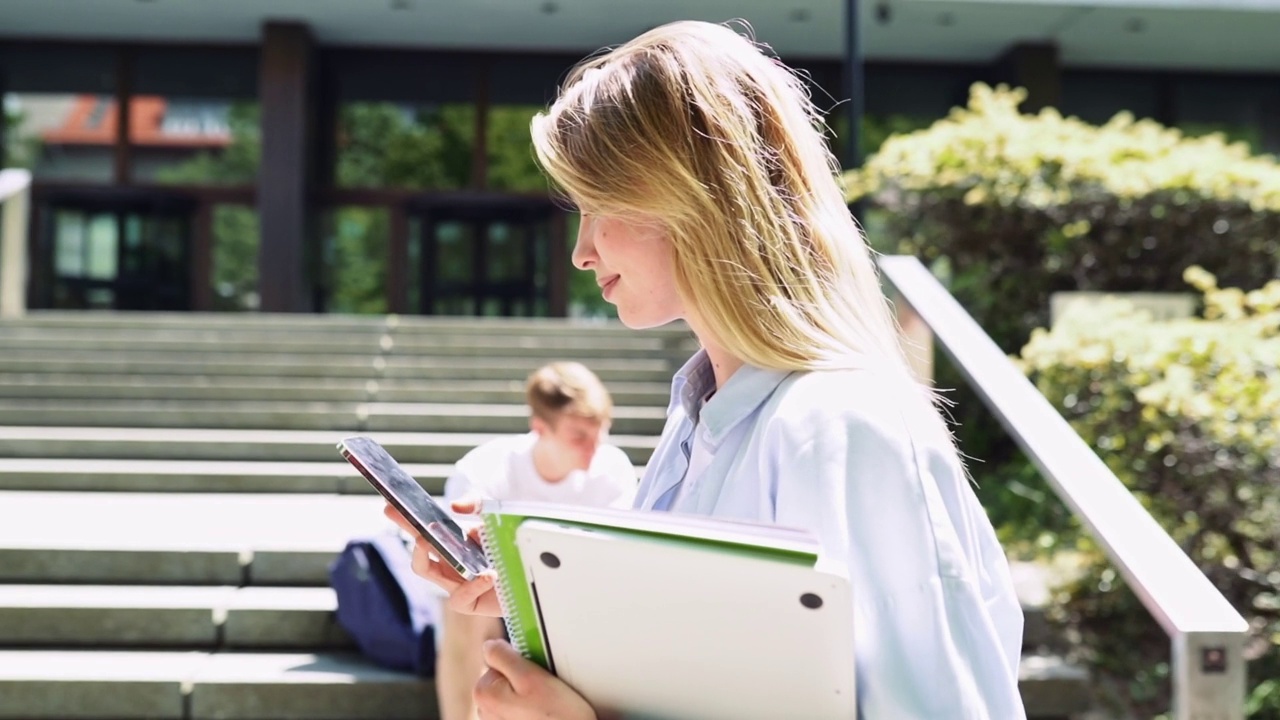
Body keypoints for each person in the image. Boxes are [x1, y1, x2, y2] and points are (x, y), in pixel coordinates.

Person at [385, 19, 1026, 720]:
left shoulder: (841, 428)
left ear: (691, 196)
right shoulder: (702, 419)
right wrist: (527, 581)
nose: (581, 251)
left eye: (600, 205)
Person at [431, 361, 637, 720]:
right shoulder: (486, 468)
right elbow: (466, 559)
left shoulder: (611, 470)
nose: (593, 449)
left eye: (600, 433)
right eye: (578, 437)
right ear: (540, 428)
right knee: (466, 600)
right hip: (498, 602)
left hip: (574, 602)